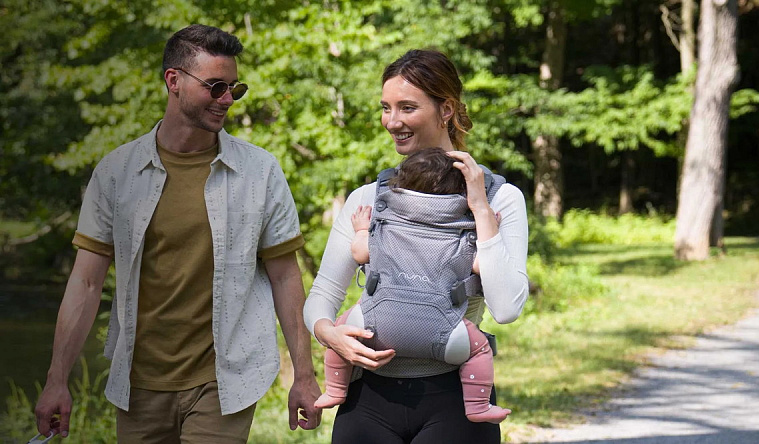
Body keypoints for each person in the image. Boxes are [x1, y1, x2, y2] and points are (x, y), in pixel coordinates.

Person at [34, 24, 321, 443]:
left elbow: (285, 276)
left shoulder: (260, 172)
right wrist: (57, 379)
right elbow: (86, 282)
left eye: (234, 89)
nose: (227, 99)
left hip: (224, 385)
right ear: (174, 81)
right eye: (215, 87)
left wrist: (304, 374)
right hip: (138, 386)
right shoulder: (117, 173)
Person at [303, 49, 529, 443]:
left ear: (446, 109)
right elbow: (322, 295)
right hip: (367, 399)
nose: (392, 121)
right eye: (385, 108)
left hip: (456, 401)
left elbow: (507, 308)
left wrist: (479, 208)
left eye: (407, 107)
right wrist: (329, 333)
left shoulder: (500, 198)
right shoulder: (368, 199)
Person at [314, 147, 512, 424]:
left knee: (339, 332)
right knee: (480, 349)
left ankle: (335, 390)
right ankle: (478, 406)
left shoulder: (385, 224)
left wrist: (360, 230)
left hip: (375, 324)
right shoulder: (462, 232)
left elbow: (359, 252)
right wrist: (490, 229)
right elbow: (484, 266)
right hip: (443, 329)